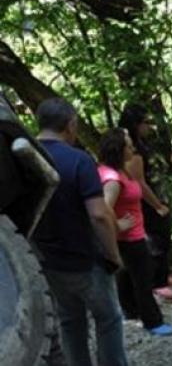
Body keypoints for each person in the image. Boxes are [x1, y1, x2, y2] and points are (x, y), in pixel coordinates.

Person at [31, 98, 129, 366]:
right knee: (108, 319)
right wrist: (113, 254)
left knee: (70, 322)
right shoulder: (79, 160)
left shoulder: (24, 158)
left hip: (48, 261)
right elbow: (98, 214)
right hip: (86, 259)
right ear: (70, 125)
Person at [97, 128, 172, 336]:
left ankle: (130, 310)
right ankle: (153, 321)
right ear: (119, 149)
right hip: (130, 237)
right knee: (143, 278)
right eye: (129, 145)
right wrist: (117, 225)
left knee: (126, 275)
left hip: (131, 235)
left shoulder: (116, 170)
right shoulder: (113, 178)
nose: (133, 148)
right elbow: (103, 207)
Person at [118, 104, 172, 303]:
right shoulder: (133, 152)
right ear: (135, 125)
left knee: (164, 238)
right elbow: (139, 182)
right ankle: (157, 284)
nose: (149, 126)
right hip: (149, 203)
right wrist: (156, 205)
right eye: (145, 123)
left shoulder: (144, 145)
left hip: (160, 196)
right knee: (156, 242)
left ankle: (163, 275)